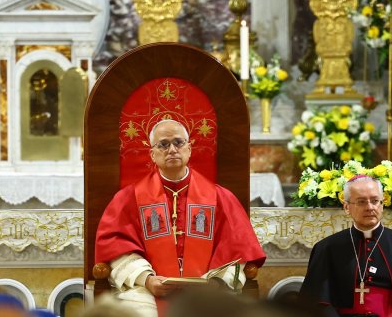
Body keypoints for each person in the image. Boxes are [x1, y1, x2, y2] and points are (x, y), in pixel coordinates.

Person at [95, 119, 266, 317]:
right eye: (164, 144)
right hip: (147, 290)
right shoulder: (129, 198)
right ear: (152, 153)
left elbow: (238, 247)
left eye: (178, 142)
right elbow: (115, 245)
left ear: (189, 149)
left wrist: (216, 283)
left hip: (208, 291)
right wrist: (147, 279)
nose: (172, 150)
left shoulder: (220, 197)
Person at [300, 175, 392, 316]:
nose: (370, 207)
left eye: (375, 201)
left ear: (382, 204)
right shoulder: (327, 248)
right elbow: (315, 301)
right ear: (347, 207)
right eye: (361, 202)